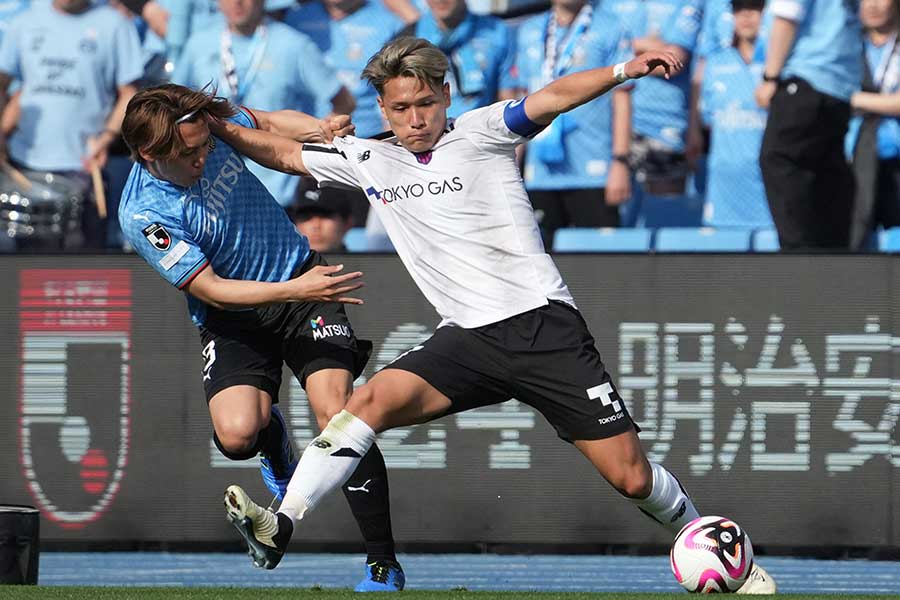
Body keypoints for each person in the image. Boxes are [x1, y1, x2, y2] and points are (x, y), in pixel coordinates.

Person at [211, 37, 776, 594]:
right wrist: (216, 128)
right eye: (401, 108)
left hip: (542, 328)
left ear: (446, 96)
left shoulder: (483, 131)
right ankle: (283, 522)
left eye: (426, 104)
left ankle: (717, 550)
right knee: (366, 404)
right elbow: (282, 153)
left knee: (630, 476)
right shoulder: (368, 158)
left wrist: (624, 69)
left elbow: (553, 96)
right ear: (381, 109)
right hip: (466, 341)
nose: (415, 119)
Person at [117, 84, 404, 592]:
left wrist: (320, 128)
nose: (204, 156)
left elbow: (270, 123)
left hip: (301, 283)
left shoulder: (205, 121)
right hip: (236, 315)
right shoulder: (144, 213)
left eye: (206, 145)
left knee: (339, 415)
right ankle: (272, 441)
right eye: (189, 154)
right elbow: (212, 289)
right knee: (235, 437)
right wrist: (293, 289)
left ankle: (382, 563)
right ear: (149, 153)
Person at [173, 0, 354, 207]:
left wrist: (322, 136)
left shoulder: (293, 44)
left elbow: (343, 101)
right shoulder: (198, 43)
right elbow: (173, 106)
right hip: (215, 192)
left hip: (279, 189)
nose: (237, 3)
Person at [0, 0, 144, 250]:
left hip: (85, 168)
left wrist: (107, 137)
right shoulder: (25, 22)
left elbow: (129, 93)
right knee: (28, 275)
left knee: (81, 273)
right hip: (26, 164)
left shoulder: (115, 24)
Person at [516, 0, 634, 246]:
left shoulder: (611, 27)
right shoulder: (529, 30)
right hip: (540, 170)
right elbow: (520, 99)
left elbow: (622, 97)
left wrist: (620, 161)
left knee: (600, 266)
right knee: (541, 262)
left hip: (593, 169)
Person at [755, 0, 863, 249]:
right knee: (826, 170)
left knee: (779, 158)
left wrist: (771, 76)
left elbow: (787, 16)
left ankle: (801, 256)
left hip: (808, 76)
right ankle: (833, 254)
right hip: (839, 85)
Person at [699, 0, 773, 229]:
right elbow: (707, 118)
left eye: (755, 8)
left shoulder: (779, 64)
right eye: (739, 9)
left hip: (768, 186)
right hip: (724, 187)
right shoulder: (716, 63)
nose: (746, 16)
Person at [846, 0, 900, 249]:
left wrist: (857, 99)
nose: (873, 5)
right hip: (856, 159)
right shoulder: (846, 46)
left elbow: (846, 97)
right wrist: (885, 103)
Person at [290, 184, 355, 252]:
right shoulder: (282, 261)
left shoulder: (363, 262)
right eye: (306, 217)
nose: (316, 225)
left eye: (326, 216)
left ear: (348, 223)